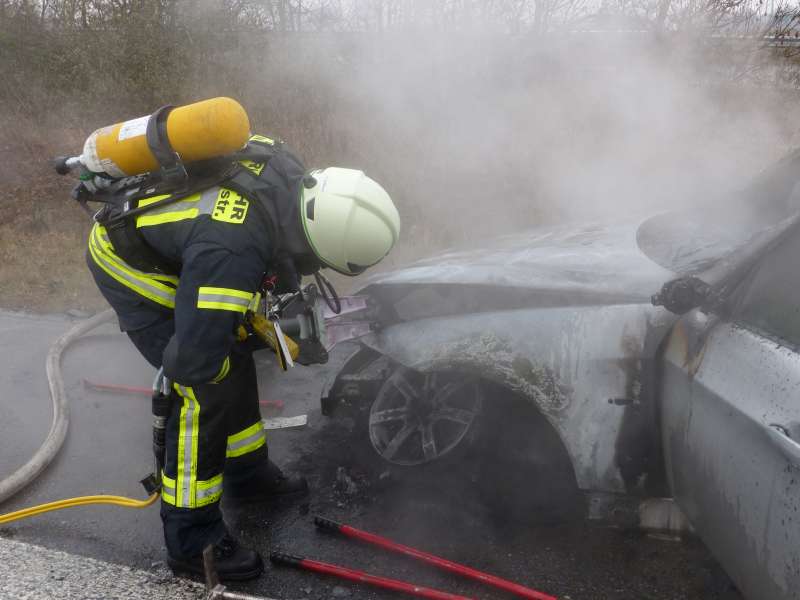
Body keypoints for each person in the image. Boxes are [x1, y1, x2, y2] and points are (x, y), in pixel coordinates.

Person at [85, 133, 400, 580]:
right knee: (204, 387)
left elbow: (271, 255)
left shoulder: (291, 177)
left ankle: (247, 475)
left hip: (189, 250)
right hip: (132, 268)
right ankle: (191, 540)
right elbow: (194, 360)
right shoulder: (232, 249)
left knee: (231, 355)